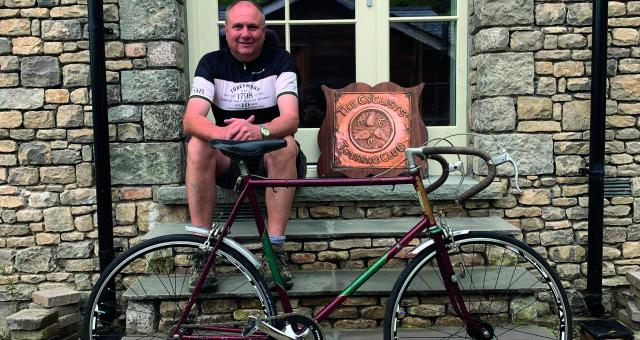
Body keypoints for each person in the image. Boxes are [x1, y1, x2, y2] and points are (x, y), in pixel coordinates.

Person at [182, 0, 304, 290]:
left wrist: (257, 130)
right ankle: (203, 253)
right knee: (198, 145)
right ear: (227, 31)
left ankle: (274, 253)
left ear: (264, 31)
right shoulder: (211, 63)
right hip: (231, 158)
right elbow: (190, 120)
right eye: (238, 26)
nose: (245, 33)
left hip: (271, 158)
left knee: (286, 143)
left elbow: (291, 119)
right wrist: (225, 134)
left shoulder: (281, 61)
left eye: (252, 27)